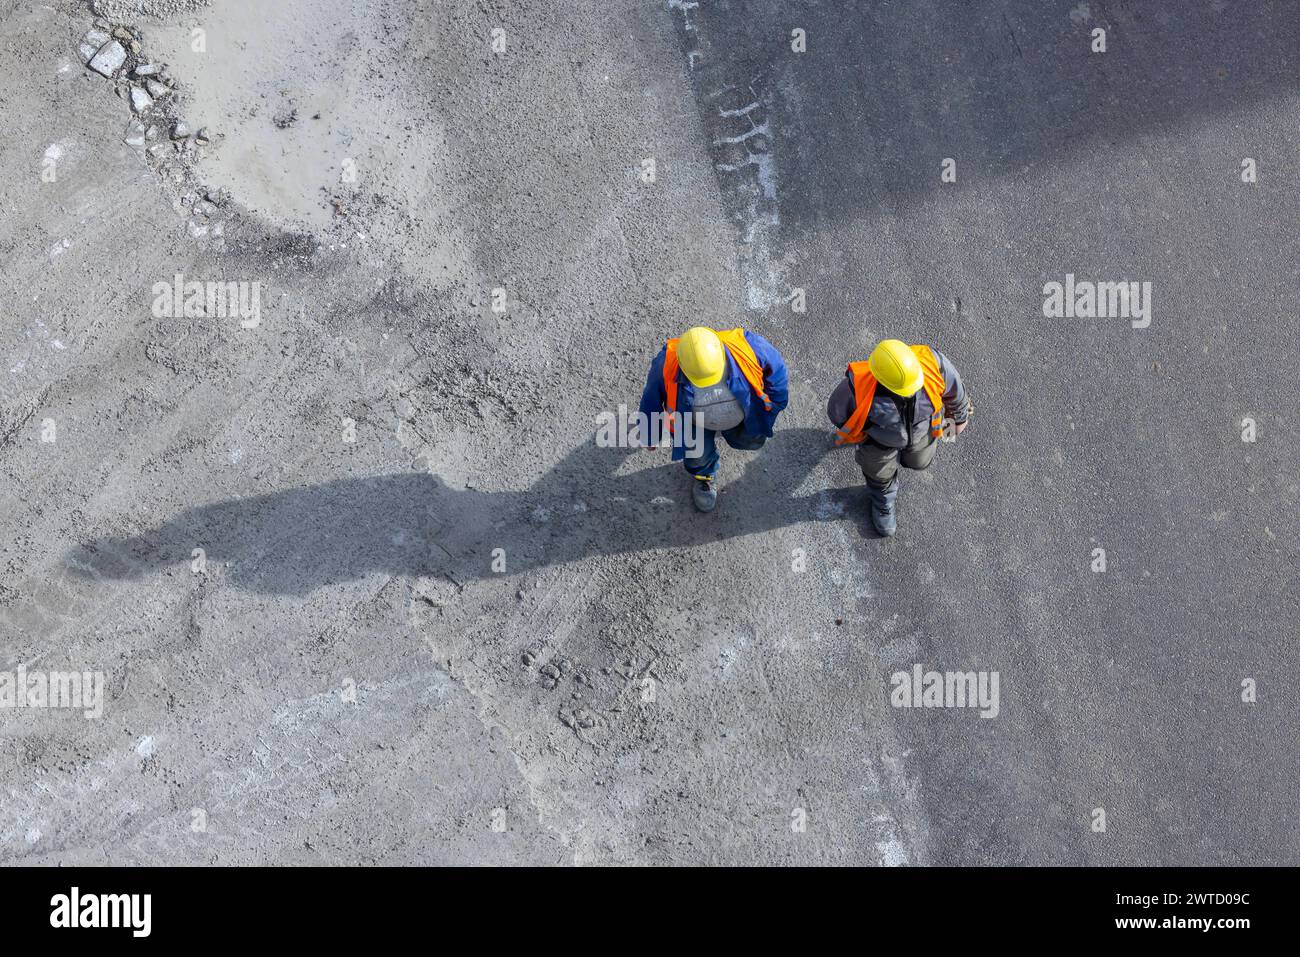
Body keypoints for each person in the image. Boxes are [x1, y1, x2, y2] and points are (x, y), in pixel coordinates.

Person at [827, 338, 971, 536]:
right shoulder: (856, 387)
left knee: (920, 462)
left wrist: (957, 422)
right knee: (879, 473)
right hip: (878, 443)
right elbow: (837, 413)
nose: (912, 393)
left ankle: (908, 457)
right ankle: (882, 501)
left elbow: (957, 395)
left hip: (921, 433)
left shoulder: (933, 364)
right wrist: (864, 437)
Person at [639, 326, 789, 512]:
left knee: (749, 440)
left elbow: (778, 374)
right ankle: (705, 476)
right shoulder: (666, 363)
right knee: (696, 454)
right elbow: (651, 399)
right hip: (692, 421)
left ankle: (733, 433)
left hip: (741, 414)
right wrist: (649, 434)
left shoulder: (751, 347)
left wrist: (774, 407)